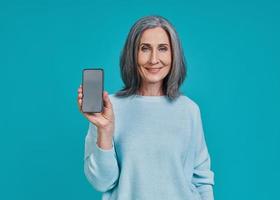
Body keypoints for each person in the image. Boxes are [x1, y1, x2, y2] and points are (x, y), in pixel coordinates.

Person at [77, 15, 214, 200]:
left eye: (163, 49)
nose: (154, 59)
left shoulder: (189, 110)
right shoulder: (109, 108)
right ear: (132, 55)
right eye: (145, 49)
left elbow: (202, 180)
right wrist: (105, 130)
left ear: (174, 55)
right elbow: (101, 182)